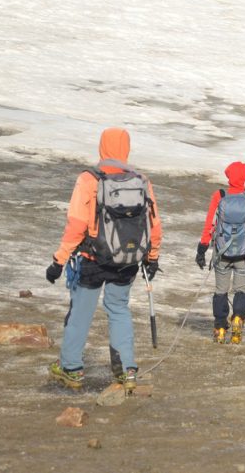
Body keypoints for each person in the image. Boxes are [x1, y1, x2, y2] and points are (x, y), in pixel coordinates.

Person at [45, 128, 162, 390]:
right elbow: (153, 224)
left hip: (93, 259)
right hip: (128, 258)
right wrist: (152, 257)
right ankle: (127, 370)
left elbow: (76, 225)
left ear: (102, 147)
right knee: (119, 309)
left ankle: (71, 369)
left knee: (81, 313)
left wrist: (58, 261)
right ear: (126, 148)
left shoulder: (89, 179)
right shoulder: (141, 181)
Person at [195, 161, 245, 344]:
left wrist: (202, 248)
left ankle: (220, 328)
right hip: (244, 254)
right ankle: (238, 318)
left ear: (228, 176)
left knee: (220, 291)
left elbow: (209, 225)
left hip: (222, 253)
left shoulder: (219, 196)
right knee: (241, 290)